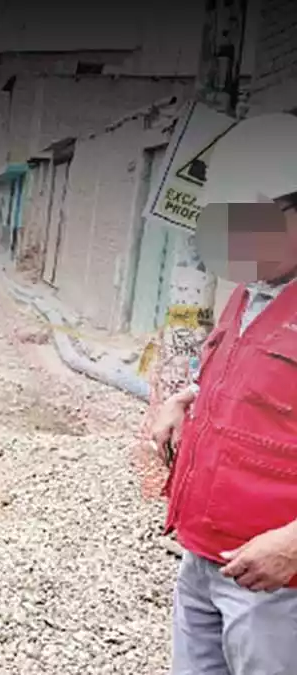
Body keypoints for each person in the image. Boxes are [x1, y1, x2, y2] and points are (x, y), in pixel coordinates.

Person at [150, 112, 297, 675]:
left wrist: (292, 544)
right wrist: (187, 399)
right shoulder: (249, 291)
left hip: (276, 584)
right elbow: (253, 378)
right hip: (203, 558)